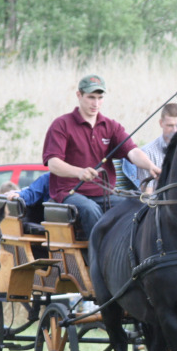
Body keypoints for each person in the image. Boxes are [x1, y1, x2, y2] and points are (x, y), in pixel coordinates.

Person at [42, 74, 158, 235]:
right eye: (91, 97)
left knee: (139, 205)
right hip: (70, 193)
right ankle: (98, 257)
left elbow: (132, 152)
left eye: (99, 97)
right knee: (90, 209)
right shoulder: (61, 125)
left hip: (105, 194)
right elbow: (53, 163)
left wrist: (151, 166)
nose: (95, 103)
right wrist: (79, 172)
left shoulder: (111, 126)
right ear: (79, 95)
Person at [119, 103, 177, 190]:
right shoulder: (147, 154)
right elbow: (147, 197)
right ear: (161, 123)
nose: (175, 130)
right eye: (170, 125)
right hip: (159, 202)